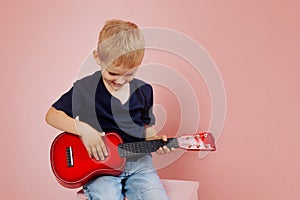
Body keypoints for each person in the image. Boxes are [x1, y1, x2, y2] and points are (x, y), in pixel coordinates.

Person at [45, 19, 174, 200]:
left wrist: (155, 140)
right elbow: (52, 115)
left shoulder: (144, 91)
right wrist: (84, 130)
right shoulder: (85, 89)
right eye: (113, 73)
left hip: (139, 165)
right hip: (100, 168)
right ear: (98, 57)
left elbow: (146, 128)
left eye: (129, 74)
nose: (120, 81)